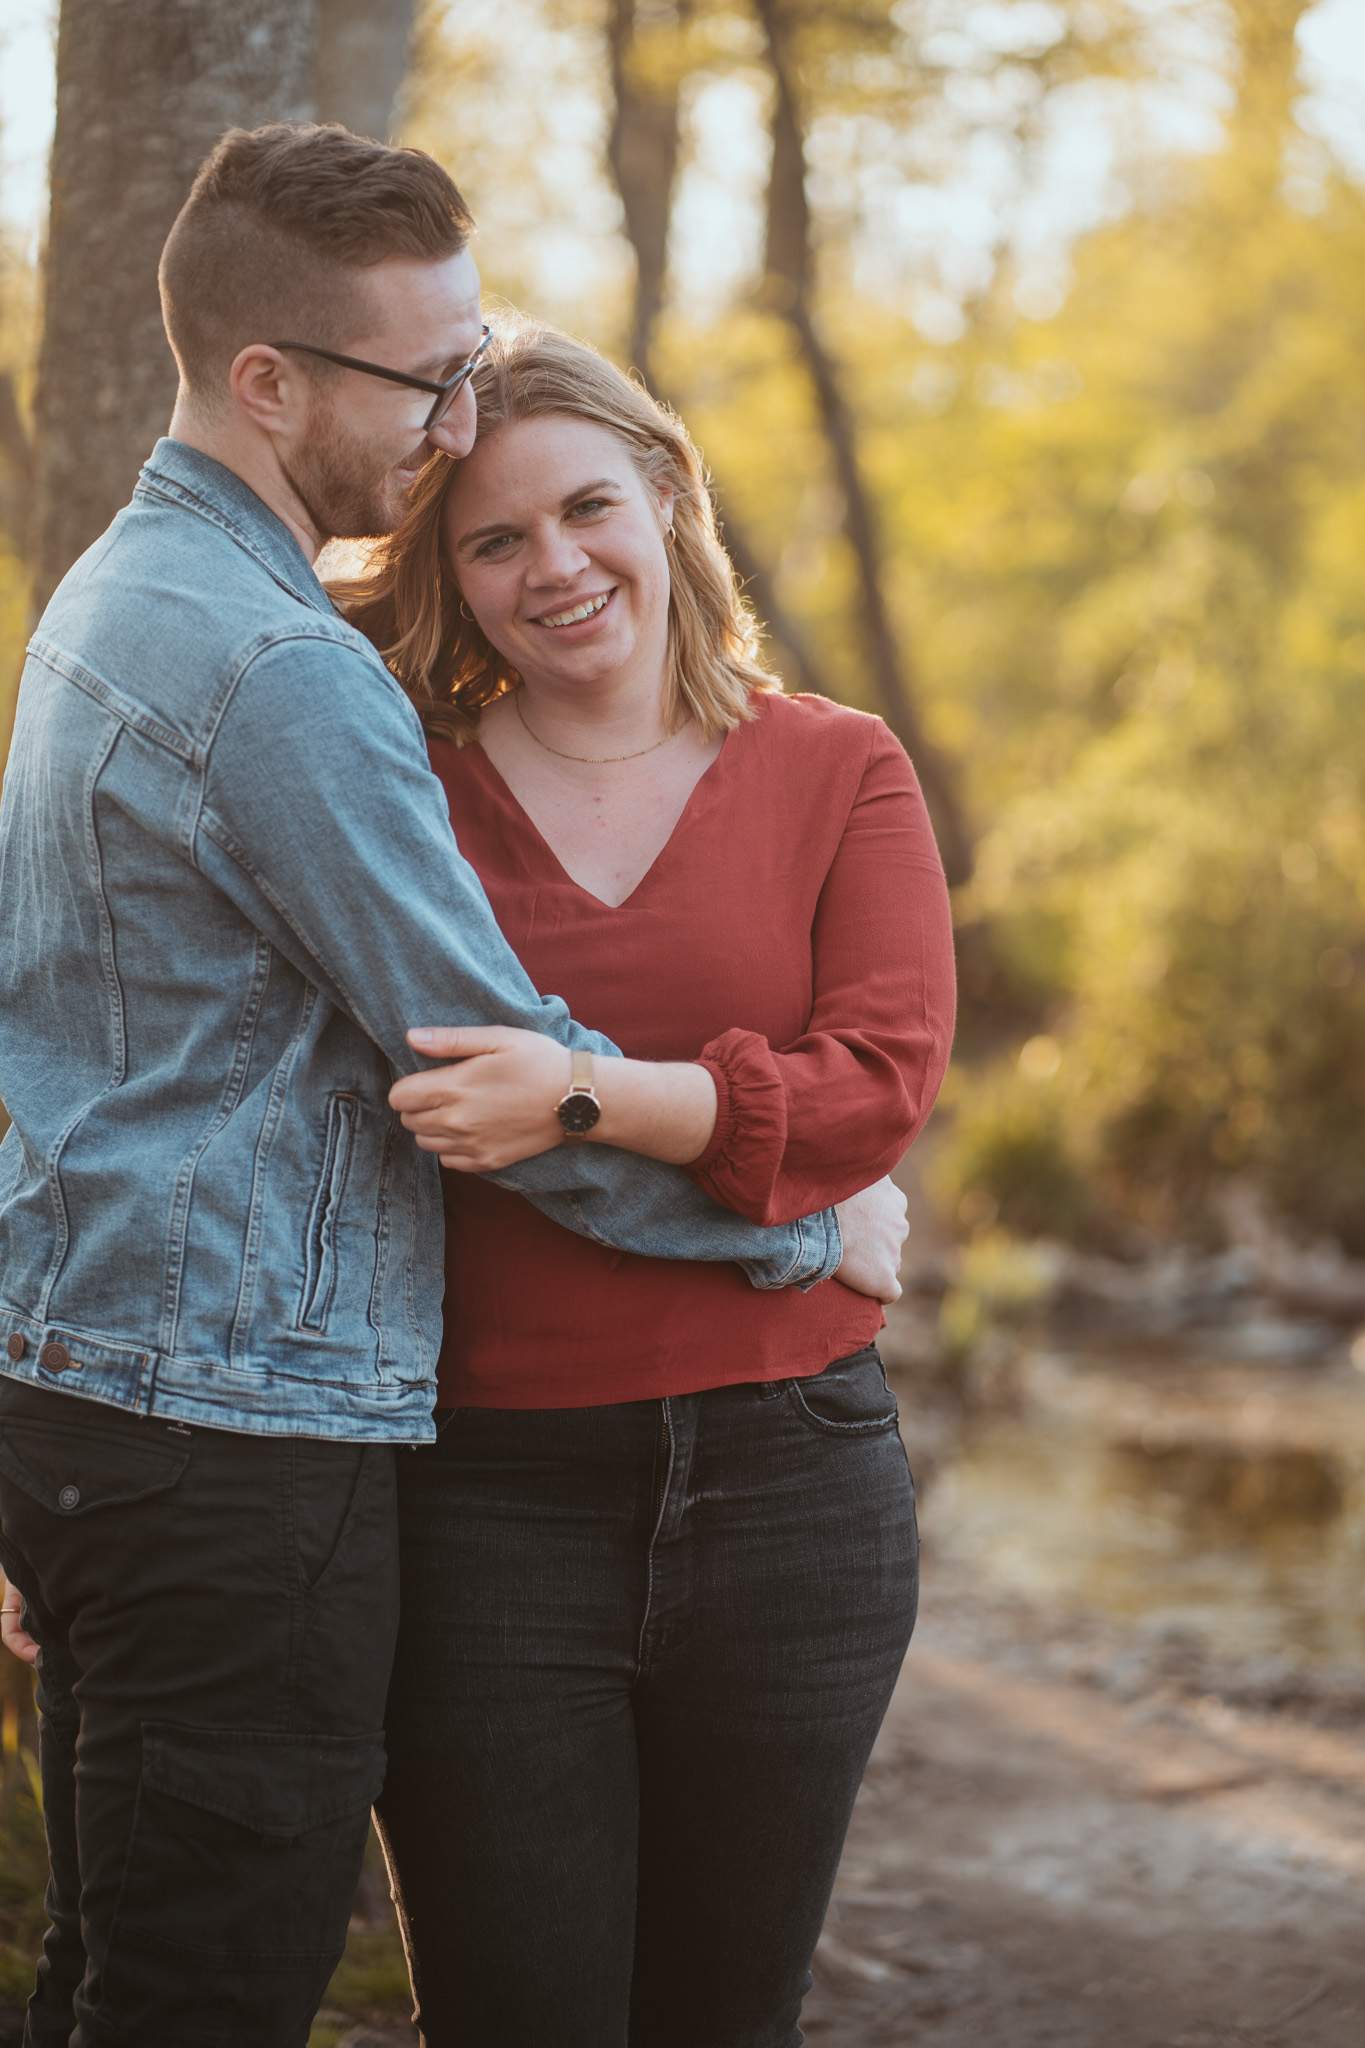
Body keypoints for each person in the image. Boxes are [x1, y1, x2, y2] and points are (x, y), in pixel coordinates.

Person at [0, 125, 906, 2048]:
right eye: (430, 393)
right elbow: (479, 1067)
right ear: (269, 382)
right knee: (207, 1989)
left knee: (134, 1976)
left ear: (667, 501)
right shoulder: (290, 678)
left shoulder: (113, 603)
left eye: (473, 366)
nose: (451, 425)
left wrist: (51, 1436)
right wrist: (810, 1228)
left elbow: (65, 1052)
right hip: (278, 1445)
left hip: (144, 1409)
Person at [334, 322, 957, 2046]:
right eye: (495, 539)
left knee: (724, 2017)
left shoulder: (839, 766)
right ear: (450, 578)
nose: (557, 568)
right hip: (483, 1505)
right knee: (513, 2013)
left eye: (587, 507)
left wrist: (587, 1099)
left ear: (667, 491)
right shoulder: (404, 802)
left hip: (793, 1488)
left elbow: (877, 1090)